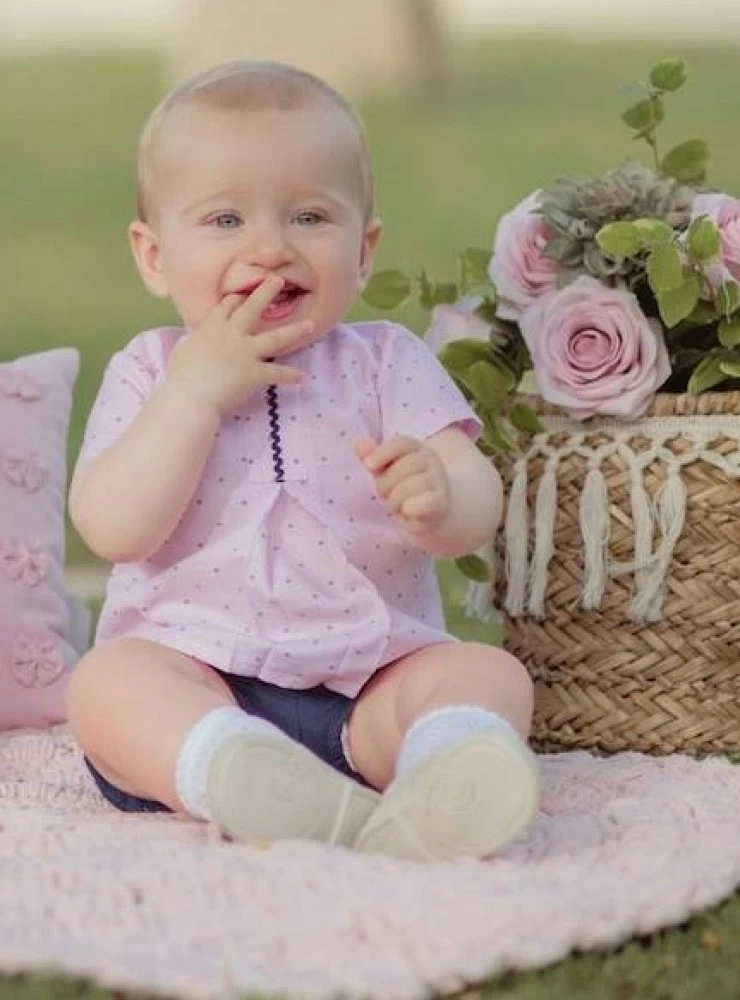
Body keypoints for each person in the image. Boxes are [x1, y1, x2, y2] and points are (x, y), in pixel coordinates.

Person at [67, 59, 539, 862]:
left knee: (489, 674)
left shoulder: (385, 361)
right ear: (153, 256)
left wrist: (440, 494)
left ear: (364, 249)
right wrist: (194, 397)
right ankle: (234, 768)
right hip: (195, 674)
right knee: (106, 687)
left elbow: (473, 495)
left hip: (368, 680)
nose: (270, 248)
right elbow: (111, 526)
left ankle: (443, 775)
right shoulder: (151, 371)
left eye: (310, 218)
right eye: (224, 222)